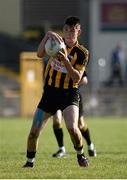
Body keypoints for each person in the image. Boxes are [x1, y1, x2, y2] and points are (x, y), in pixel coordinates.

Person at [23, 16, 90, 168]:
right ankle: (29, 163)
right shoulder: (54, 43)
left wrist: (65, 60)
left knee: (73, 128)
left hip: (69, 95)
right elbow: (39, 54)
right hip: (49, 95)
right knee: (34, 131)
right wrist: (46, 35)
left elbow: (76, 78)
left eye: (73, 31)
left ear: (78, 32)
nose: (69, 34)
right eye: (66, 30)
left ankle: (80, 154)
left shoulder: (82, 53)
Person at [52, 73, 96, 158]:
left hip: (73, 96)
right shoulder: (54, 61)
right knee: (57, 121)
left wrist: (71, 86)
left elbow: (84, 80)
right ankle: (61, 149)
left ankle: (90, 146)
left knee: (80, 125)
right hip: (56, 95)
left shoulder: (74, 61)